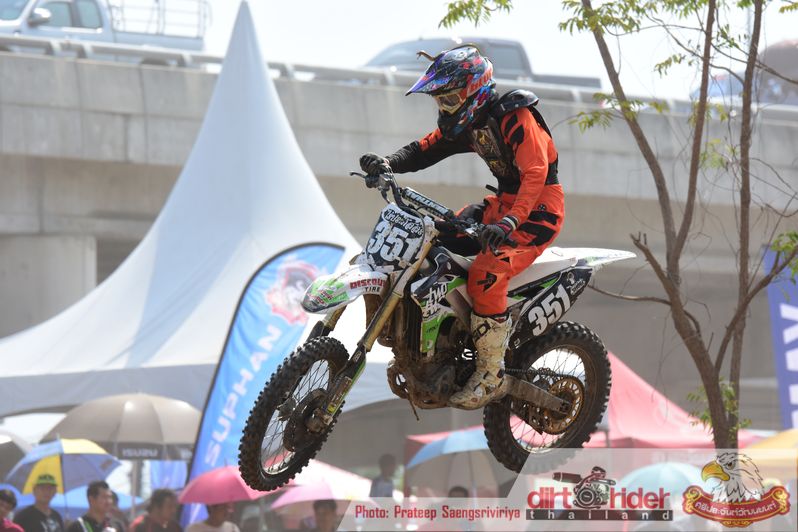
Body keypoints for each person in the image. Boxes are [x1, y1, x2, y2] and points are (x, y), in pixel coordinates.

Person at [359, 44, 563, 409]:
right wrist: (387, 163)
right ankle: (425, 342)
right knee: (428, 238)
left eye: (450, 99)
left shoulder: (516, 118)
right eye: (441, 101)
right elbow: (425, 149)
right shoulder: (470, 124)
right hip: (501, 207)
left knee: (486, 272)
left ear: (475, 91)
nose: (445, 108)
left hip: (537, 211)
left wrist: (511, 221)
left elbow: (536, 173)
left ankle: (490, 372)